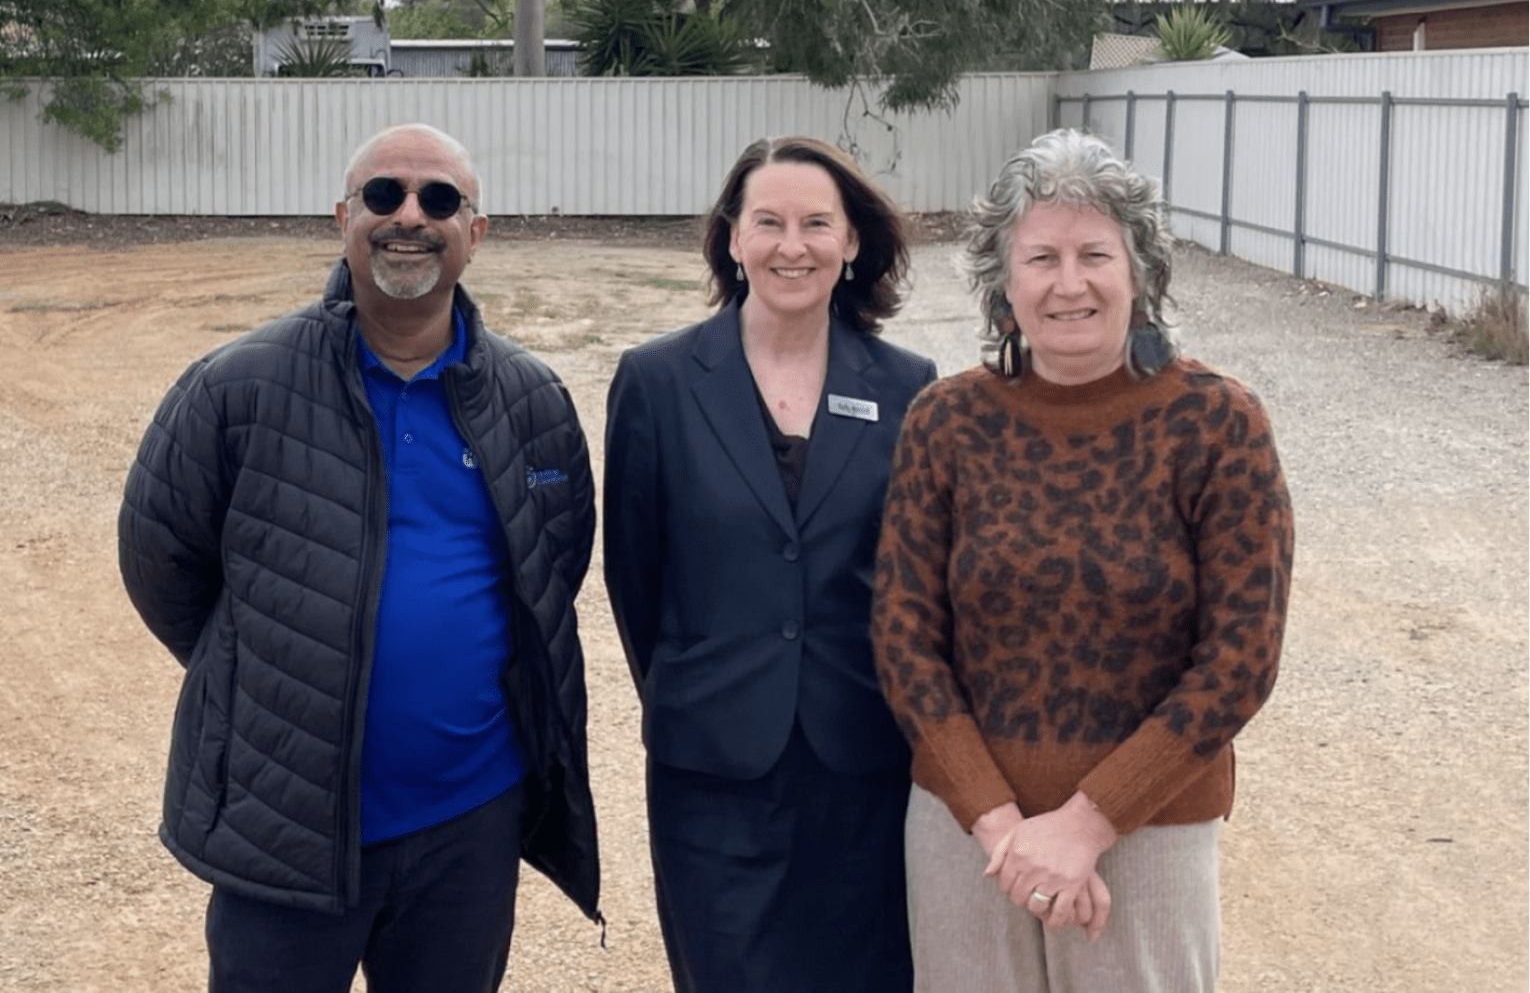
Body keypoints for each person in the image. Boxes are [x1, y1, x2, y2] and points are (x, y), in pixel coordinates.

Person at [117, 123, 600, 993]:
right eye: (383, 195)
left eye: (439, 200)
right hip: (286, 819)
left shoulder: (533, 400)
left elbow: (552, 566)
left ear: (475, 233)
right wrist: (272, 673)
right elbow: (161, 561)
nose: (408, 217)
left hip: (471, 824)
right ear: (342, 217)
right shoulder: (238, 385)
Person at [871, 129, 1294, 993]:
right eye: (1041, 258)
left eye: (1095, 253)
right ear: (1003, 284)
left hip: (1147, 837)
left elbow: (1241, 657)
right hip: (969, 839)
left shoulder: (1218, 423)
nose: (1070, 282)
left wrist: (1087, 826)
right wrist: (1001, 829)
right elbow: (904, 637)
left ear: (1141, 271)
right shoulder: (944, 423)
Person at [603, 136, 937, 993]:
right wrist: (701, 683)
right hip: (711, 763)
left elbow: (921, 576)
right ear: (733, 239)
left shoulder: (911, 386)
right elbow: (636, 575)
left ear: (852, 242)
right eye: (771, 222)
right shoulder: (659, 382)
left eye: (817, 223)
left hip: (865, 756)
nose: (795, 245)